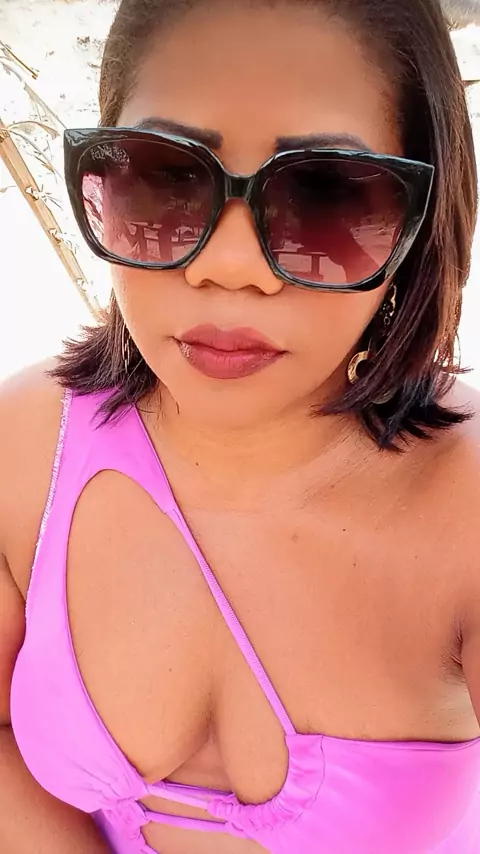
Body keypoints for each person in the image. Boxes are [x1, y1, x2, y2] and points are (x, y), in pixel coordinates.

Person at [1, 1, 480, 852]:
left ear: (420, 222)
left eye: (326, 197)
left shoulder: (465, 504)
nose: (229, 266)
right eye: (163, 178)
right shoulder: (28, 441)